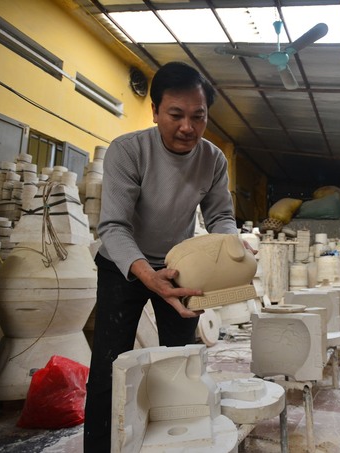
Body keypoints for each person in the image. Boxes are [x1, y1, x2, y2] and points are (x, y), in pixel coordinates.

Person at [84, 61, 242, 452]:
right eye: (176, 115)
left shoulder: (213, 159)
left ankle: (175, 443)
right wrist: (145, 273)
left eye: (198, 117)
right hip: (122, 265)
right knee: (111, 368)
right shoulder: (128, 151)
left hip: (177, 266)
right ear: (155, 112)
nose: (187, 127)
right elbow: (114, 227)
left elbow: (221, 215)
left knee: (181, 364)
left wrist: (230, 250)